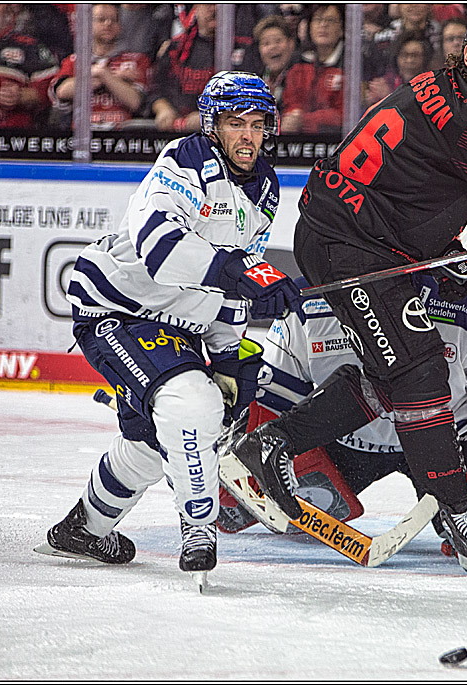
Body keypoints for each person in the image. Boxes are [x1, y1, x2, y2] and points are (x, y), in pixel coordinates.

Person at [220, 4, 467, 576]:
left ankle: (272, 445)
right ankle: (457, 510)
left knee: (394, 369)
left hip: (353, 233)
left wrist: (441, 249)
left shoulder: (437, 87)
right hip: (350, 244)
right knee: (419, 367)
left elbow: (416, 182)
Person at [37, 73, 301, 584]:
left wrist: (229, 350)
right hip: (116, 307)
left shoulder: (265, 187)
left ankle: (83, 529)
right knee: (190, 404)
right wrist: (237, 270)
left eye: (257, 124)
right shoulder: (186, 160)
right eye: (234, 123)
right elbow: (160, 245)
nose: (247, 135)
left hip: (180, 321)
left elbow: (235, 279)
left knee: (156, 441)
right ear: (212, 125)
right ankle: (199, 528)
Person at [218, 275, 467, 560]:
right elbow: (271, 407)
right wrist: (227, 462)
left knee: (463, 529)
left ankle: (458, 508)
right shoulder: (308, 307)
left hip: (453, 436)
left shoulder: (466, 312)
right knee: (235, 511)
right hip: (346, 442)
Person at [149, 4, 249, 133]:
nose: (213, 9)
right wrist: (162, 109)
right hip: (179, 132)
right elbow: (154, 88)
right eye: (208, 4)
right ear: (196, 9)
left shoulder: (245, 47)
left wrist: (209, 116)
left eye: (220, 6)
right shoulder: (176, 47)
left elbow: (251, 95)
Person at [49, 4, 149, 130]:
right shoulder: (75, 60)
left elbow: (135, 102)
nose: (108, 24)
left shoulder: (137, 60)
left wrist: (103, 74)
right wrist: (109, 76)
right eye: (101, 19)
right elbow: (62, 91)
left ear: (120, 26)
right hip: (82, 135)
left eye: (114, 20)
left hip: (122, 137)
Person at [279, 4, 345, 136]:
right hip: (298, 142)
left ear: (342, 28)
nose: (323, 25)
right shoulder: (298, 63)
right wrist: (294, 116)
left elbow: (345, 114)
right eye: (318, 20)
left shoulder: (351, 64)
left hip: (336, 141)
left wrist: (304, 120)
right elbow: (290, 104)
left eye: (330, 20)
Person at [253, 15, 297, 106]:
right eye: (266, 43)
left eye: (278, 41)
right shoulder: (255, 80)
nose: (272, 47)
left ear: (291, 44)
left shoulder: (302, 75)